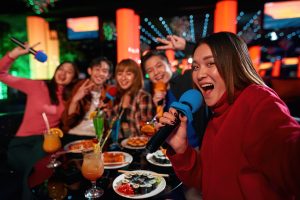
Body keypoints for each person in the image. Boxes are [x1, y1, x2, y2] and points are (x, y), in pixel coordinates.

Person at [158, 32, 300, 199]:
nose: (199, 74)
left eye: (210, 63)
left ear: (233, 64)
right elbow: (205, 180)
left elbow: (289, 156)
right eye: (195, 67)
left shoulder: (257, 100)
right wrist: (181, 148)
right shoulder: (217, 113)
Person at [0, 44, 79, 200]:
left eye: (69, 72)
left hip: (48, 143)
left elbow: (70, 121)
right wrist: (13, 55)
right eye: (61, 69)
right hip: (21, 145)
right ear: (56, 71)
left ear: (73, 78)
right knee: (40, 162)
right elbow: (1, 74)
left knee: (43, 160)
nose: (63, 74)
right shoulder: (37, 86)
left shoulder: (69, 98)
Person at [141, 50, 210, 148]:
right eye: (150, 70)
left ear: (169, 65)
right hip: (173, 151)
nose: (156, 72)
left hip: (200, 146)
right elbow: (155, 129)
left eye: (159, 66)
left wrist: (187, 46)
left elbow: (204, 61)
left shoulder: (187, 79)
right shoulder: (151, 95)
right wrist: (158, 108)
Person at [61, 57, 114, 144]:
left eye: (104, 71)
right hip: (75, 134)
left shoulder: (110, 92)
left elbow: (110, 123)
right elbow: (68, 121)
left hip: (97, 137)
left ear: (108, 75)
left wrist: (107, 114)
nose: (100, 73)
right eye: (97, 69)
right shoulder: (78, 87)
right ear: (90, 71)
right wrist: (75, 99)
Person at [111, 59, 154, 139]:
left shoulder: (143, 97)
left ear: (135, 76)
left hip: (138, 146)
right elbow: (114, 128)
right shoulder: (118, 97)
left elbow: (146, 131)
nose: (123, 78)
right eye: (120, 74)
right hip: (121, 145)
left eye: (128, 74)